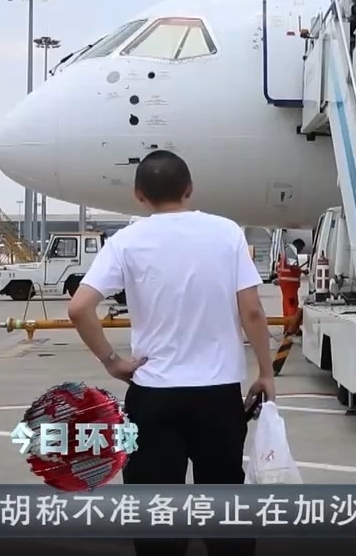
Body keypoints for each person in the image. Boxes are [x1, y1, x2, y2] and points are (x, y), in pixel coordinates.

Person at [65, 150, 272, 556]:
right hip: (218, 394)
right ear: (189, 189)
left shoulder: (126, 241)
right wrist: (265, 372)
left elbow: (79, 308)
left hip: (153, 394)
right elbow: (251, 310)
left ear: (139, 195)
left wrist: (112, 361)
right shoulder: (227, 233)